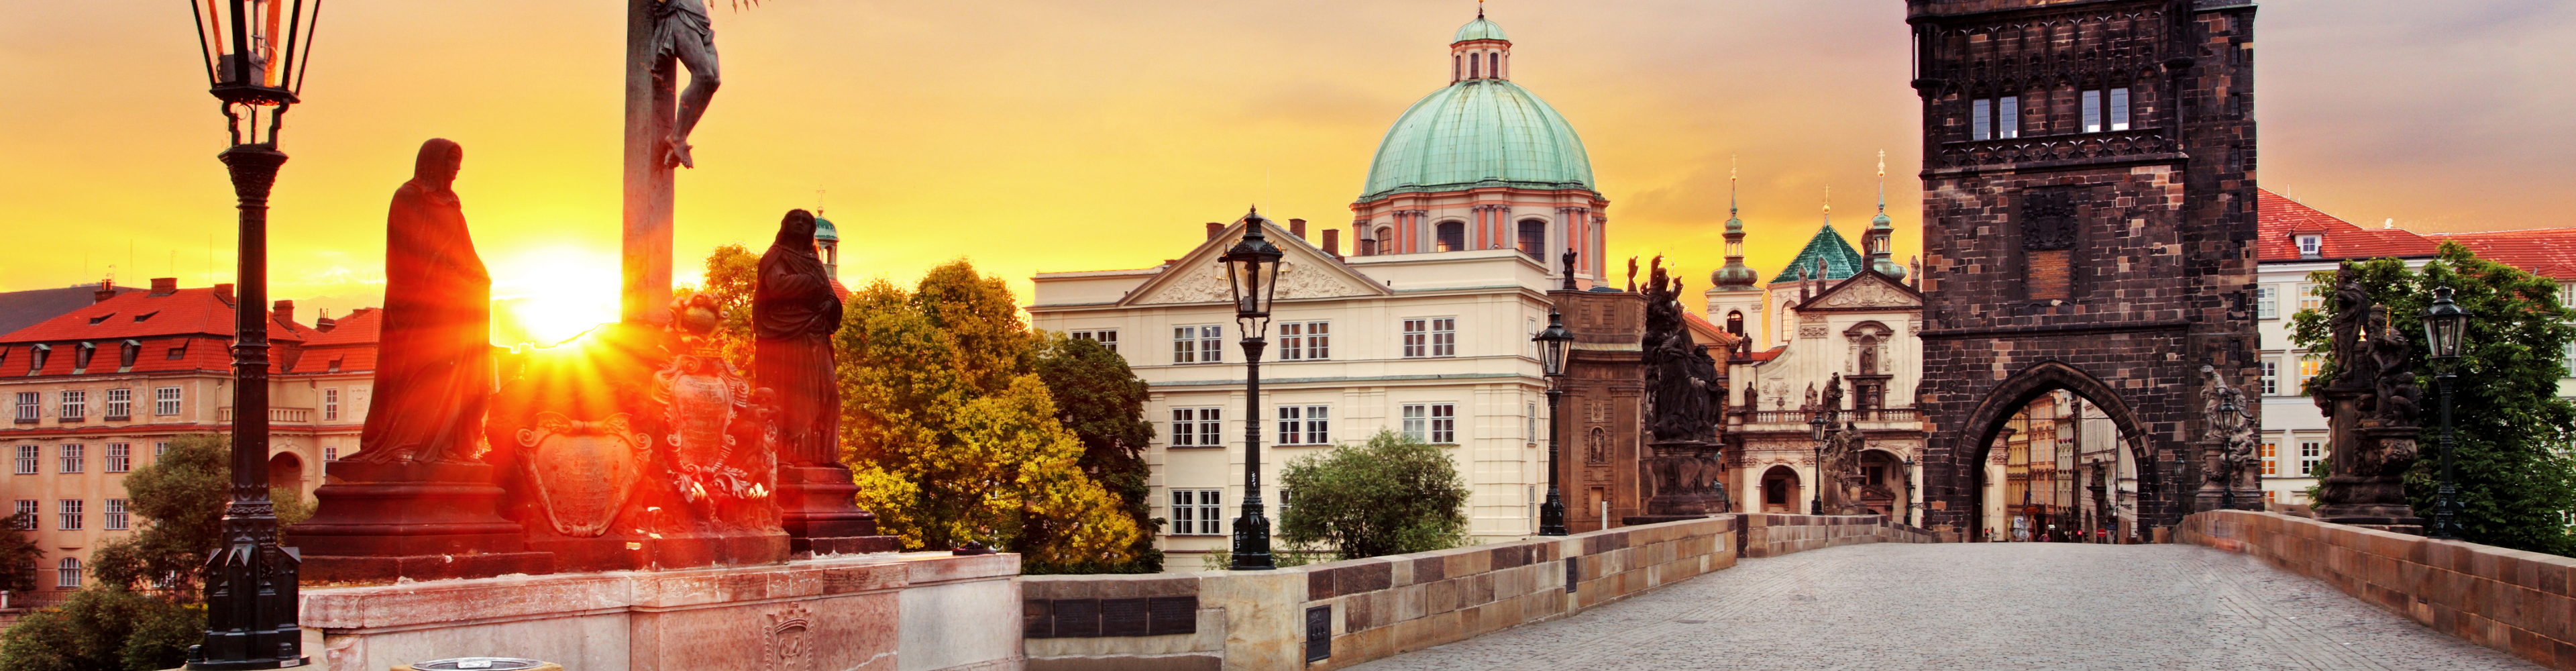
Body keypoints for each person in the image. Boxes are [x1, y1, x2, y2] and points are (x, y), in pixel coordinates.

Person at [350, 139, 490, 465]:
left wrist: (478, 278)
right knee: (422, 373)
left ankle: (449, 444)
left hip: (454, 305)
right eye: (451, 162)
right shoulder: (409, 197)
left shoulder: (451, 203)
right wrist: (449, 277)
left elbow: (464, 251)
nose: (456, 169)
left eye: (459, 163)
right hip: (419, 306)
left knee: (456, 372)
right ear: (433, 163)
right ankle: (406, 442)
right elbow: (410, 251)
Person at [753, 209, 842, 468]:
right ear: (785, 226)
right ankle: (791, 456)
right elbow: (777, 286)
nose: (801, 224)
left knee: (828, 394)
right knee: (793, 395)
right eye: (796, 220)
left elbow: (829, 294)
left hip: (815, 335)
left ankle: (825, 457)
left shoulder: (813, 260)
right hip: (788, 336)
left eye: (806, 222)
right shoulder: (775, 255)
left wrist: (829, 303)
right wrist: (808, 283)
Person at [652, 0, 720, 168]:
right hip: (680, 13)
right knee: (703, 75)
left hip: (699, 17)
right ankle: (677, 139)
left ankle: (678, 137)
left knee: (714, 81)